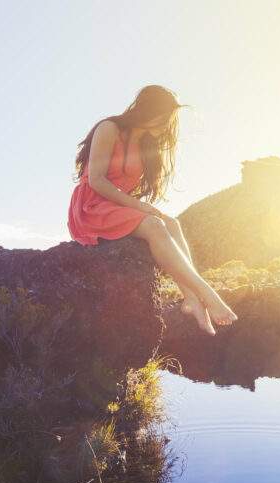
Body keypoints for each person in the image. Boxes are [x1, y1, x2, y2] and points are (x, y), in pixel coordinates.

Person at [68, 85, 236, 335]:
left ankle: (190, 298)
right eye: (166, 116)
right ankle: (207, 295)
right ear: (151, 111)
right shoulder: (109, 128)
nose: (169, 123)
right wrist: (138, 206)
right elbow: (96, 180)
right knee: (154, 225)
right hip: (90, 207)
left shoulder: (146, 144)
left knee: (173, 224)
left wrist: (137, 206)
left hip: (116, 206)